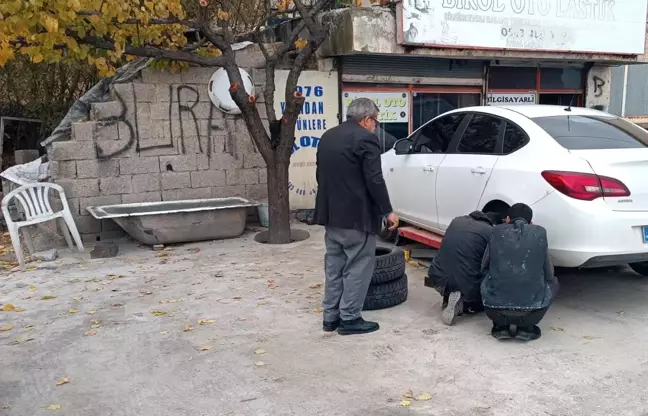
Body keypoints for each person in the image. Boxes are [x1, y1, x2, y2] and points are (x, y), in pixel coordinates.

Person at [314, 98, 399, 336]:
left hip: (332, 216)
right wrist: (387, 210)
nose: (376, 127)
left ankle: (330, 317)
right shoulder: (366, 139)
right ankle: (350, 319)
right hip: (356, 218)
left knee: (334, 267)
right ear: (367, 119)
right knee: (358, 266)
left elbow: (321, 175)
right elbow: (374, 179)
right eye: (376, 122)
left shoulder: (328, 136)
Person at [480, 203, 559, 341]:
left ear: (508, 219)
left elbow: (484, 266)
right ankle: (526, 328)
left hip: (494, 309)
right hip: (532, 311)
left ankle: (500, 327)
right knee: (554, 282)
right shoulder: (540, 232)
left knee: (486, 278)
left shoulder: (496, 231)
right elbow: (549, 272)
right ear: (531, 222)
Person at [425, 211, 502, 326]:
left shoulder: (456, 220)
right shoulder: (490, 231)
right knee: (489, 273)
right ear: (493, 224)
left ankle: (448, 298)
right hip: (465, 281)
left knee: (456, 266)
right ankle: (466, 305)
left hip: (436, 275)